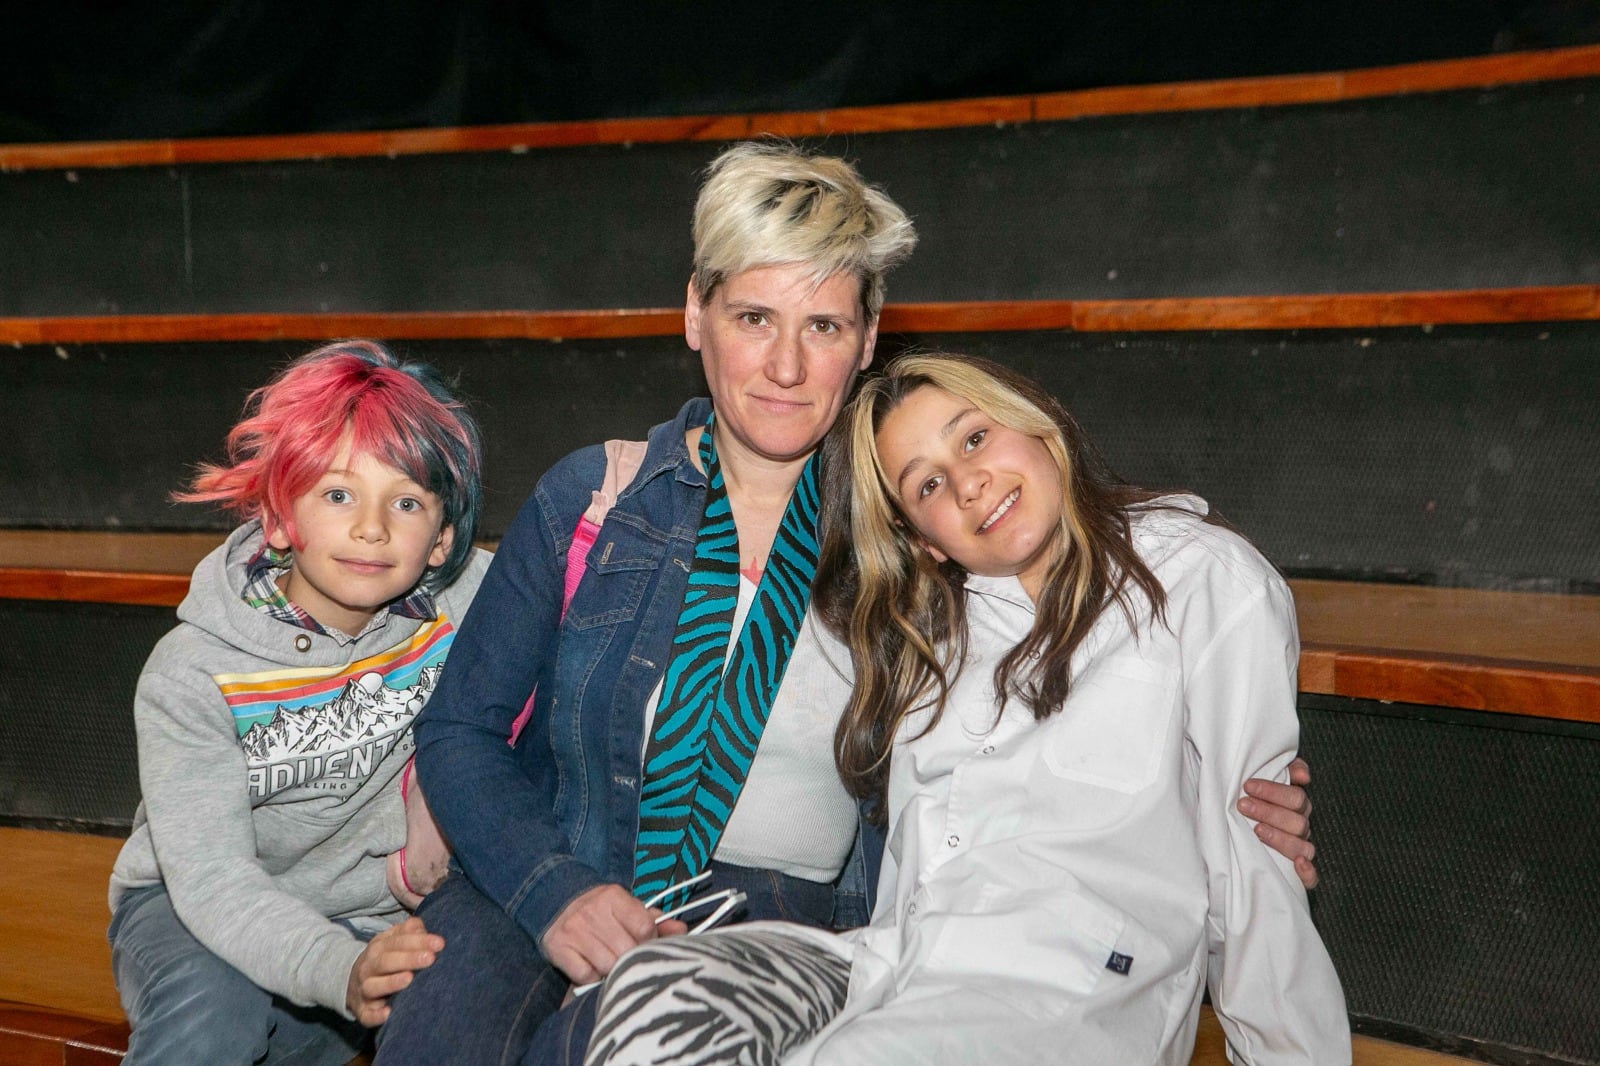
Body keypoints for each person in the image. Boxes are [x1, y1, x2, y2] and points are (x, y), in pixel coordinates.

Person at [374, 144, 1318, 1066]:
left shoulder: (918, 537)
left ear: (867, 339)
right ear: (695, 314)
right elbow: (460, 730)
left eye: (823, 326)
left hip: (766, 916)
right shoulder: (594, 499)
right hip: (550, 865)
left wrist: (1229, 809)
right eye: (753, 316)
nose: (786, 365)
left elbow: (1079, 689)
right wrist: (554, 892)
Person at [582, 353, 1350, 1065]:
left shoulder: (1197, 577)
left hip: (1073, 989)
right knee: (651, 993)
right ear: (926, 543)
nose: (969, 484)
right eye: (927, 486)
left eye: (976, 438)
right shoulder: (931, 635)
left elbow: (1255, 868)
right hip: (899, 963)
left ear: (1034, 421)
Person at [107, 340, 490, 1064]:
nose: (371, 528)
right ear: (281, 517)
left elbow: (577, 589)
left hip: (367, 918)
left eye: (405, 502)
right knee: (220, 1011)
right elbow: (214, 881)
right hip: (189, 909)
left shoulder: (469, 604)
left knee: (477, 999)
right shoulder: (192, 675)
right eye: (338, 494)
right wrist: (334, 970)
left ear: (441, 540)